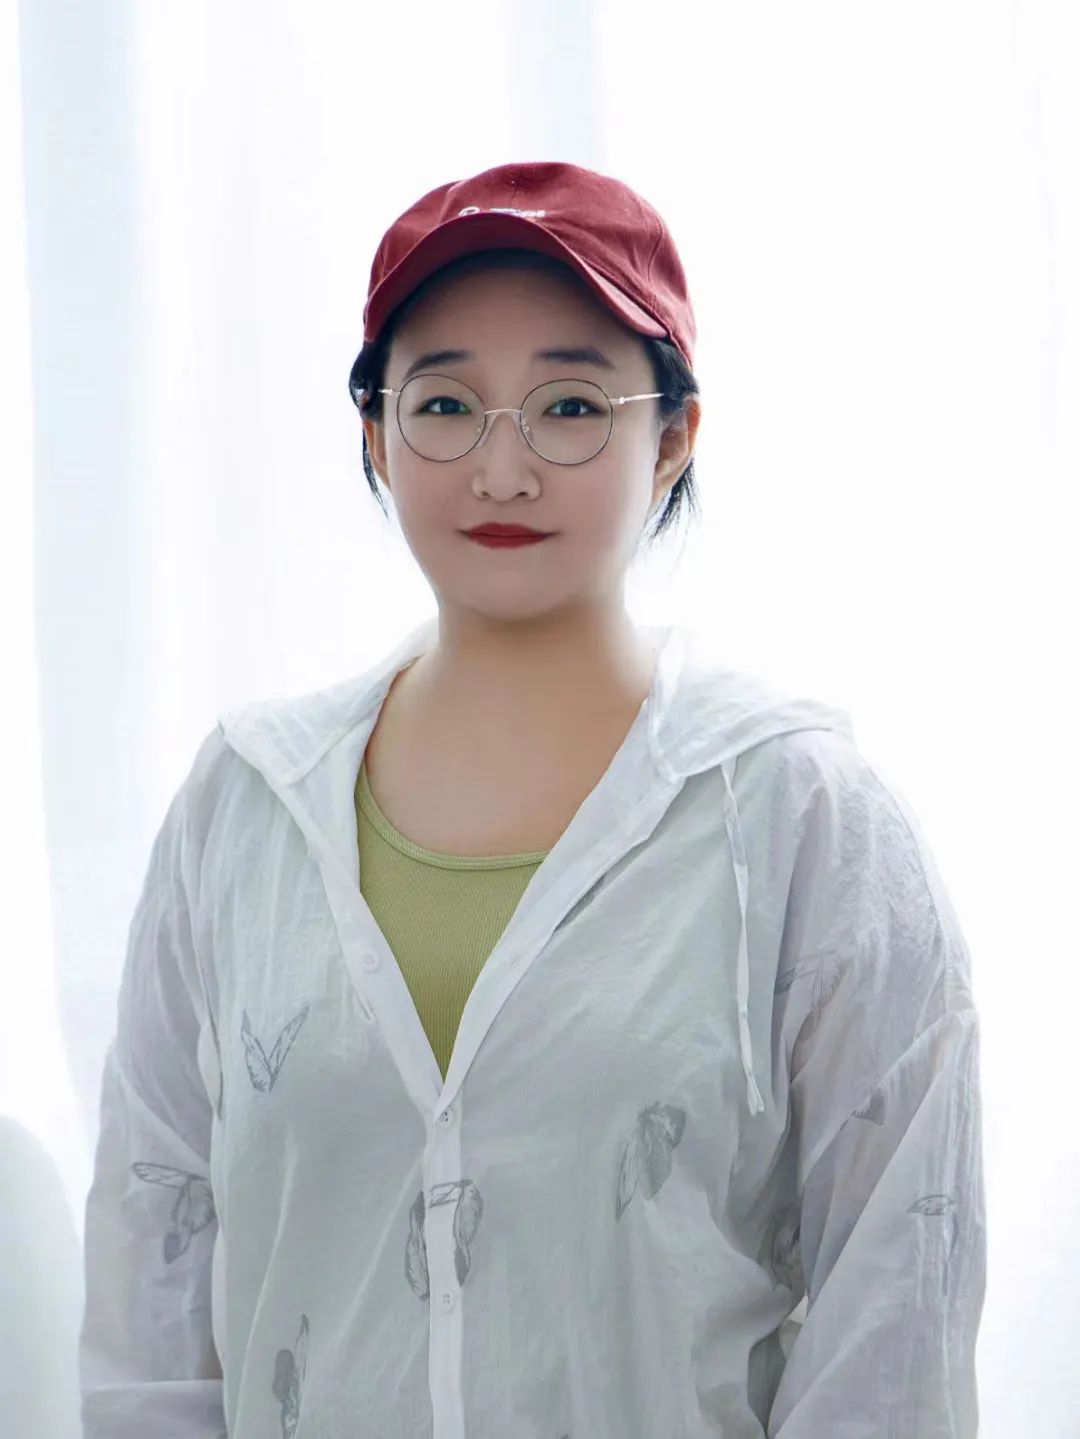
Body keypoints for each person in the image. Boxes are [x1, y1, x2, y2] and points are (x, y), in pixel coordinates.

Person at [78, 160, 987, 1437]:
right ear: (376, 433)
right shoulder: (245, 805)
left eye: (570, 405)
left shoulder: (805, 822)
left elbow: (895, 1310)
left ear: (673, 436)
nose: (501, 470)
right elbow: (152, 1276)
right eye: (446, 403)